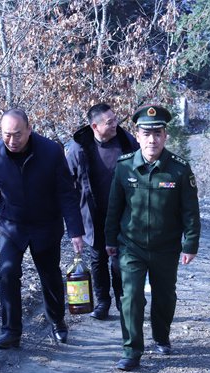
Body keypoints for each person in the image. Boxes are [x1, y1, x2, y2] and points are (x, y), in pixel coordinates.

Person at [0, 108, 85, 349]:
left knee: (49, 274)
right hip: (12, 225)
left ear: (29, 129)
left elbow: (66, 192)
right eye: (6, 134)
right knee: (7, 273)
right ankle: (11, 331)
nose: (12, 140)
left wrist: (75, 230)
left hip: (46, 223)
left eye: (17, 134)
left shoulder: (51, 151)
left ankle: (57, 321)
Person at [105, 105, 201, 371]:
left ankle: (161, 336)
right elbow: (114, 207)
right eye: (146, 134)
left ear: (165, 136)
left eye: (157, 133)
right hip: (131, 246)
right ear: (137, 136)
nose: (152, 140)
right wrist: (110, 240)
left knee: (165, 296)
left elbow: (190, 211)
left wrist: (190, 243)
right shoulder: (124, 166)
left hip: (166, 247)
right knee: (131, 296)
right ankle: (131, 350)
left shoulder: (179, 169)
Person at [66, 103, 139, 320]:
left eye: (115, 119)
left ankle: (123, 301)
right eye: (110, 122)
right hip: (93, 215)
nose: (115, 124)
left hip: (123, 214)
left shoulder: (126, 141)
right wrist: (74, 226)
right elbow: (67, 186)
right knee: (98, 260)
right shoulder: (79, 148)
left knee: (119, 261)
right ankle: (103, 302)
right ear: (95, 127)